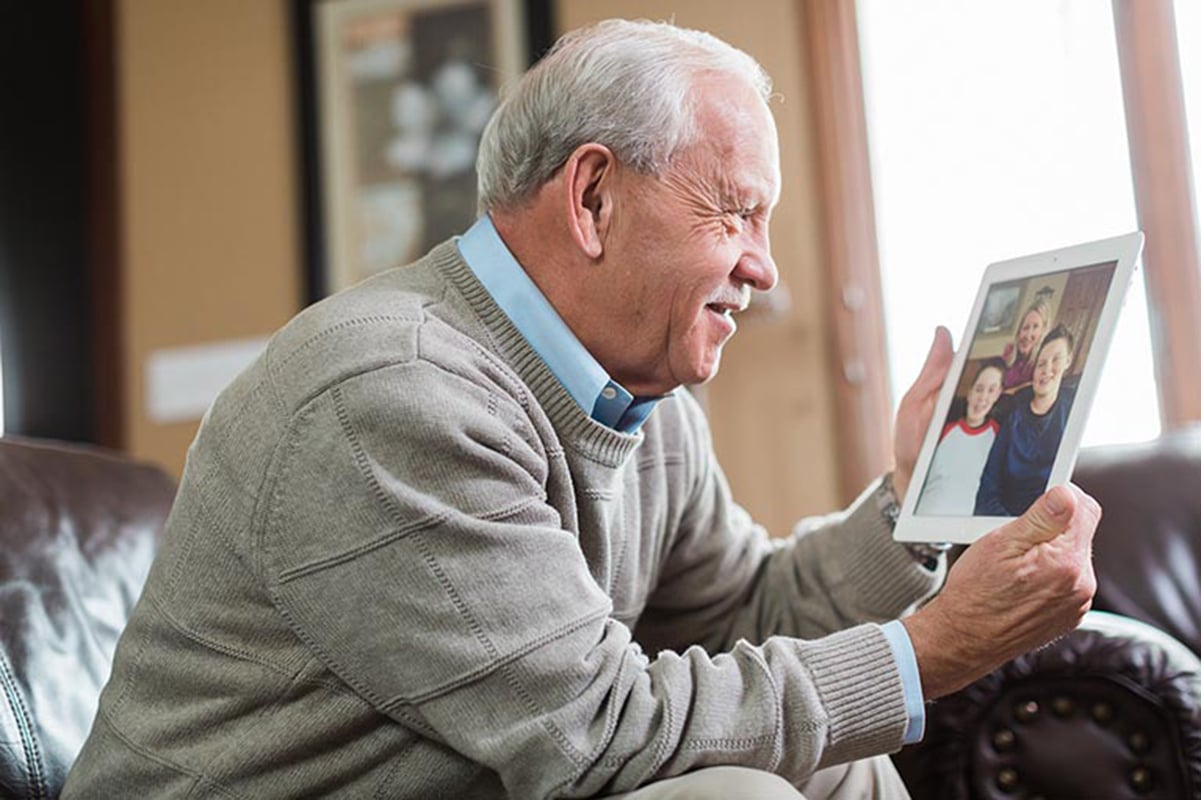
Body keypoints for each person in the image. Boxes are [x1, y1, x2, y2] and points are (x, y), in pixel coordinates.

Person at [63, 20, 1099, 800]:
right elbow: (595, 730)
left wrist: (913, 503)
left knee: (837, 757)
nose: (764, 264)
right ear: (593, 197)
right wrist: (932, 648)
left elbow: (744, 612)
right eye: (733, 209)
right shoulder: (388, 393)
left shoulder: (636, 394)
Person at [975, 325, 1077, 516]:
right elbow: (989, 484)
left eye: (1056, 360)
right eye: (1041, 363)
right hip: (1007, 522)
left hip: (1053, 521)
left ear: (1068, 362)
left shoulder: (1074, 407)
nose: (1047, 369)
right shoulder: (1013, 415)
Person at [914, 357, 1006, 515]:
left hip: (962, 531)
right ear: (969, 393)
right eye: (979, 389)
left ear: (997, 395)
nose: (982, 397)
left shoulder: (999, 437)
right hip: (923, 517)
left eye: (991, 390)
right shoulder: (943, 430)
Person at [1001, 298, 1050, 392]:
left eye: (1035, 327)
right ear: (1019, 331)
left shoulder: (1044, 360)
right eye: (1025, 327)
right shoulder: (1009, 351)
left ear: (1043, 332)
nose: (1028, 335)